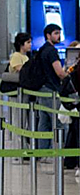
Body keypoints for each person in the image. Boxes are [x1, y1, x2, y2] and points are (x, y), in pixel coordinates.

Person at [35, 24, 69, 154]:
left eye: (59, 33)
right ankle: (62, 152)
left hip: (41, 89)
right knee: (59, 121)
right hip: (50, 90)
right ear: (48, 35)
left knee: (44, 122)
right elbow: (59, 72)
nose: (58, 36)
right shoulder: (52, 51)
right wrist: (69, 76)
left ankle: (42, 152)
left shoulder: (42, 50)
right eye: (55, 33)